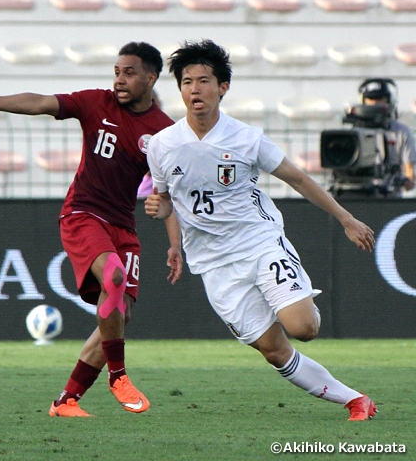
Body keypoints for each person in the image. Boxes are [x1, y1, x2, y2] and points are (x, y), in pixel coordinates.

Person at [0, 42, 182, 417]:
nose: (119, 79)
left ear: (151, 78)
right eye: (117, 71)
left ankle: (66, 400)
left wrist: (174, 245)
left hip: (124, 225)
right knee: (115, 279)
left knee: (120, 314)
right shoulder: (95, 103)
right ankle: (118, 376)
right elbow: (39, 102)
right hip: (83, 214)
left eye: (130, 73)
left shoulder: (165, 132)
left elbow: (167, 192)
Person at [145, 39, 377, 421]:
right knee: (274, 350)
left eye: (204, 81)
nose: (195, 89)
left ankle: (295, 297)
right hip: (214, 264)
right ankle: (356, 400)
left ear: (223, 87)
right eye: (187, 82)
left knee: (303, 329)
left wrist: (345, 218)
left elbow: (298, 179)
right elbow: (166, 199)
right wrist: (162, 214)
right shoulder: (162, 145)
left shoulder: (247, 138)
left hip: (259, 243)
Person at [358, 77, 416, 194]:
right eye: (371, 98)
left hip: (390, 197)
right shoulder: (356, 132)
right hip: (360, 195)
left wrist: (406, 181)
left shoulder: (401, 132)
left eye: (380, 98)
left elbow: (409, 173)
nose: (375, 103)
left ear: (389, 100)